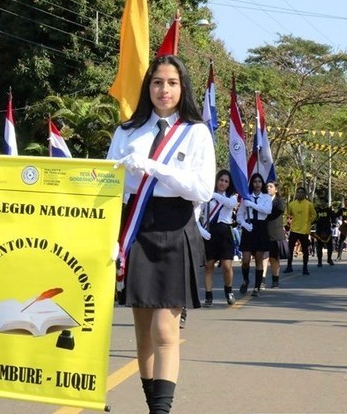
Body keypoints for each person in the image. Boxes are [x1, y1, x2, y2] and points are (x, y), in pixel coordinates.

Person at [109, 55, 215, 413]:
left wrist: (155, 168)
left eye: (171, 83)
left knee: (165, 331)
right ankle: (152, 405)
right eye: (157, 82)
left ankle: (161, 411)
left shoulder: (196, 132)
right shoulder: (127, 131)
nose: (164, 89)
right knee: (142, 331)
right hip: (135, 228)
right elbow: (107, 183)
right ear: (148, 87)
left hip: (175, 228)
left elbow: (202, 189)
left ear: (182, 87)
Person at [198, 169, 238, 307]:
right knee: (209, 266)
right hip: (210, 232)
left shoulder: (232, 196)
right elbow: (196, 213)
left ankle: (229, 291)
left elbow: (231, 204)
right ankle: (208, 296)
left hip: (225, 232)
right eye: (221, 180)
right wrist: (201, 230)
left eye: (226, 181)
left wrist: (214, 195)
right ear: (216, 180)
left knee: (227, 266)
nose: (223, 183)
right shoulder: (206, 195)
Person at [236, 173, 272, 296]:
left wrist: (252, 205)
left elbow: (267, 210)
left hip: (260, 227)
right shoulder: (246, 197)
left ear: (262, 183)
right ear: (252, 183)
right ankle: (245, 280)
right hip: (248, 227)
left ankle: (257, 287)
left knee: (258, 259)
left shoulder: (266, 197)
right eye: (255, 181)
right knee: (245, 259)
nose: (257, 184)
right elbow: (239, 215)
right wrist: (244, 224)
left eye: (259, 181)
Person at [284, 186, 316, 275]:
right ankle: (289, 266)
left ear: (305, 194)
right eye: (298, 192)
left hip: (304, 230)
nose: (300, 194)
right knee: (290, 249)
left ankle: (305, 268)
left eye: (302, 192)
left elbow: (314, 215)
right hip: (294, 229)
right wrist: (287, 223)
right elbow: (287, 214)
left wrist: (308, 222)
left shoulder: (309, 204)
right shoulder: (291, 204)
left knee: (305, 250)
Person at [262, 181, 287, 288]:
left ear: (276, 189)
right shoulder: (262, 200)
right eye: (267, 186)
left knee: (274, 258)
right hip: (263, 232)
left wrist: (266, 211)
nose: (268, 188)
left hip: (275, 234)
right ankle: (262, 280)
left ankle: (275, 279)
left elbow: (280, 209)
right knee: (263, 257)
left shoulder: (279, 201)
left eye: (271, 186)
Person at [313, 197, 336, 267]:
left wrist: (334, 223)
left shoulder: (329, 210)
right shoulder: (317, 210)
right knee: (319, 246)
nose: (322, 203)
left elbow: (333, 217)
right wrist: (312, 224)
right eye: (321, 201)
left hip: (327, 229)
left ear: (326, 203)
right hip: (319, 230)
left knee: (330, 246)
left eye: (323, 201)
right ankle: (319, 261)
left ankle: (329, 259)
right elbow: (313, 218)